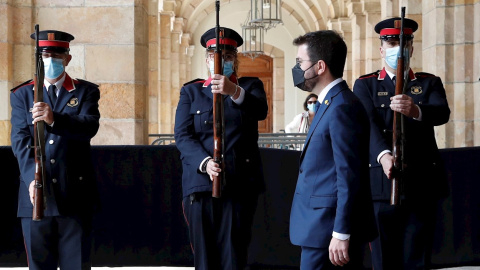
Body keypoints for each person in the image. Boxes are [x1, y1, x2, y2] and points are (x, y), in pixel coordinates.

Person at [353, 17, 450, 270]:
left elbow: (442, 113)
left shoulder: (428, 82)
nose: (398, 48)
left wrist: (416, 110)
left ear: (412, 48)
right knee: (383, 259)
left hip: (421, 184)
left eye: (404, 42)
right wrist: (384, 155)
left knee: (416, 257)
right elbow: (368, 126)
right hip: (381, 184)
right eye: (392, 42)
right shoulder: (366, 84)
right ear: (381, 48)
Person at [174, 27, 268, 270]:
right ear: (206, 59)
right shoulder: (191, 91)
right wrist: (205, 163)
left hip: (239, 184)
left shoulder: (251, 86)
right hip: (201, 184)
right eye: (215, 56)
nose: (220, 61)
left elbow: (259, 111)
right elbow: (183, 136)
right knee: (204, 258)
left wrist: (234, 91)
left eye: (226, 57)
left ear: (234, 60)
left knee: (234, 256)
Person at [10, 30, 100, 270]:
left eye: (56, 55)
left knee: (76, 265)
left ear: (67, 58)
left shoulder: (85, 91)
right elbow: (20, 140)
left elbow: (89, 126)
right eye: (45, 55)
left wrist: (54, 119)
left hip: (75, 195)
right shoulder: (22, 94)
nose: (50, 60)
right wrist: (31, 179)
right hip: (35, 196)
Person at [288, 30, 376, 269]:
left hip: (329, 231)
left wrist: (341, 232)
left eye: (299, 62)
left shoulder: (342, 106)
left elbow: (349, 174)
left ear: (319, 66)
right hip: (319, 229)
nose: (296, 69)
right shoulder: (329, 102)